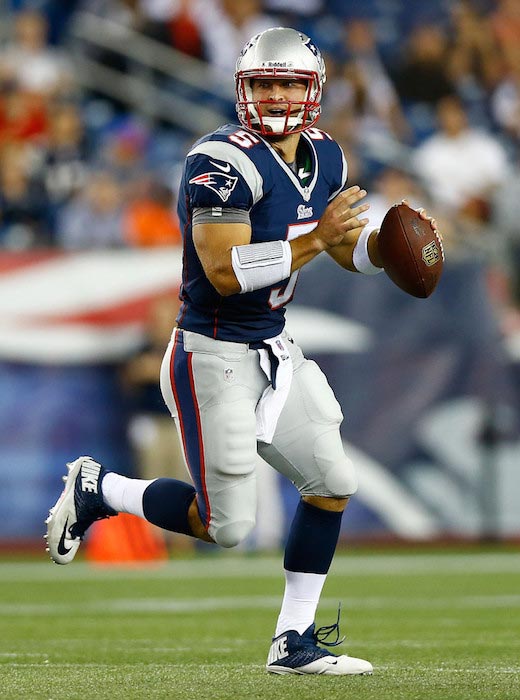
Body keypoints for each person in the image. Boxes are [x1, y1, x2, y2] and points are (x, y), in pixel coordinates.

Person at [45, 27, 438, 676]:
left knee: (332, 483)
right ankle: (99, 488)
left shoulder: (325, 156)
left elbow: (339, 244)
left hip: (273, 347)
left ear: (312, 93)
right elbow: (224, 269)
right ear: (242, 90)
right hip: (212, 353)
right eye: (265, 83)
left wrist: (381, 254)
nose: (277, 95)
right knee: (224, 526)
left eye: (289, 83)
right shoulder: (220, 161)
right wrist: (317, 243)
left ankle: (293, 641)